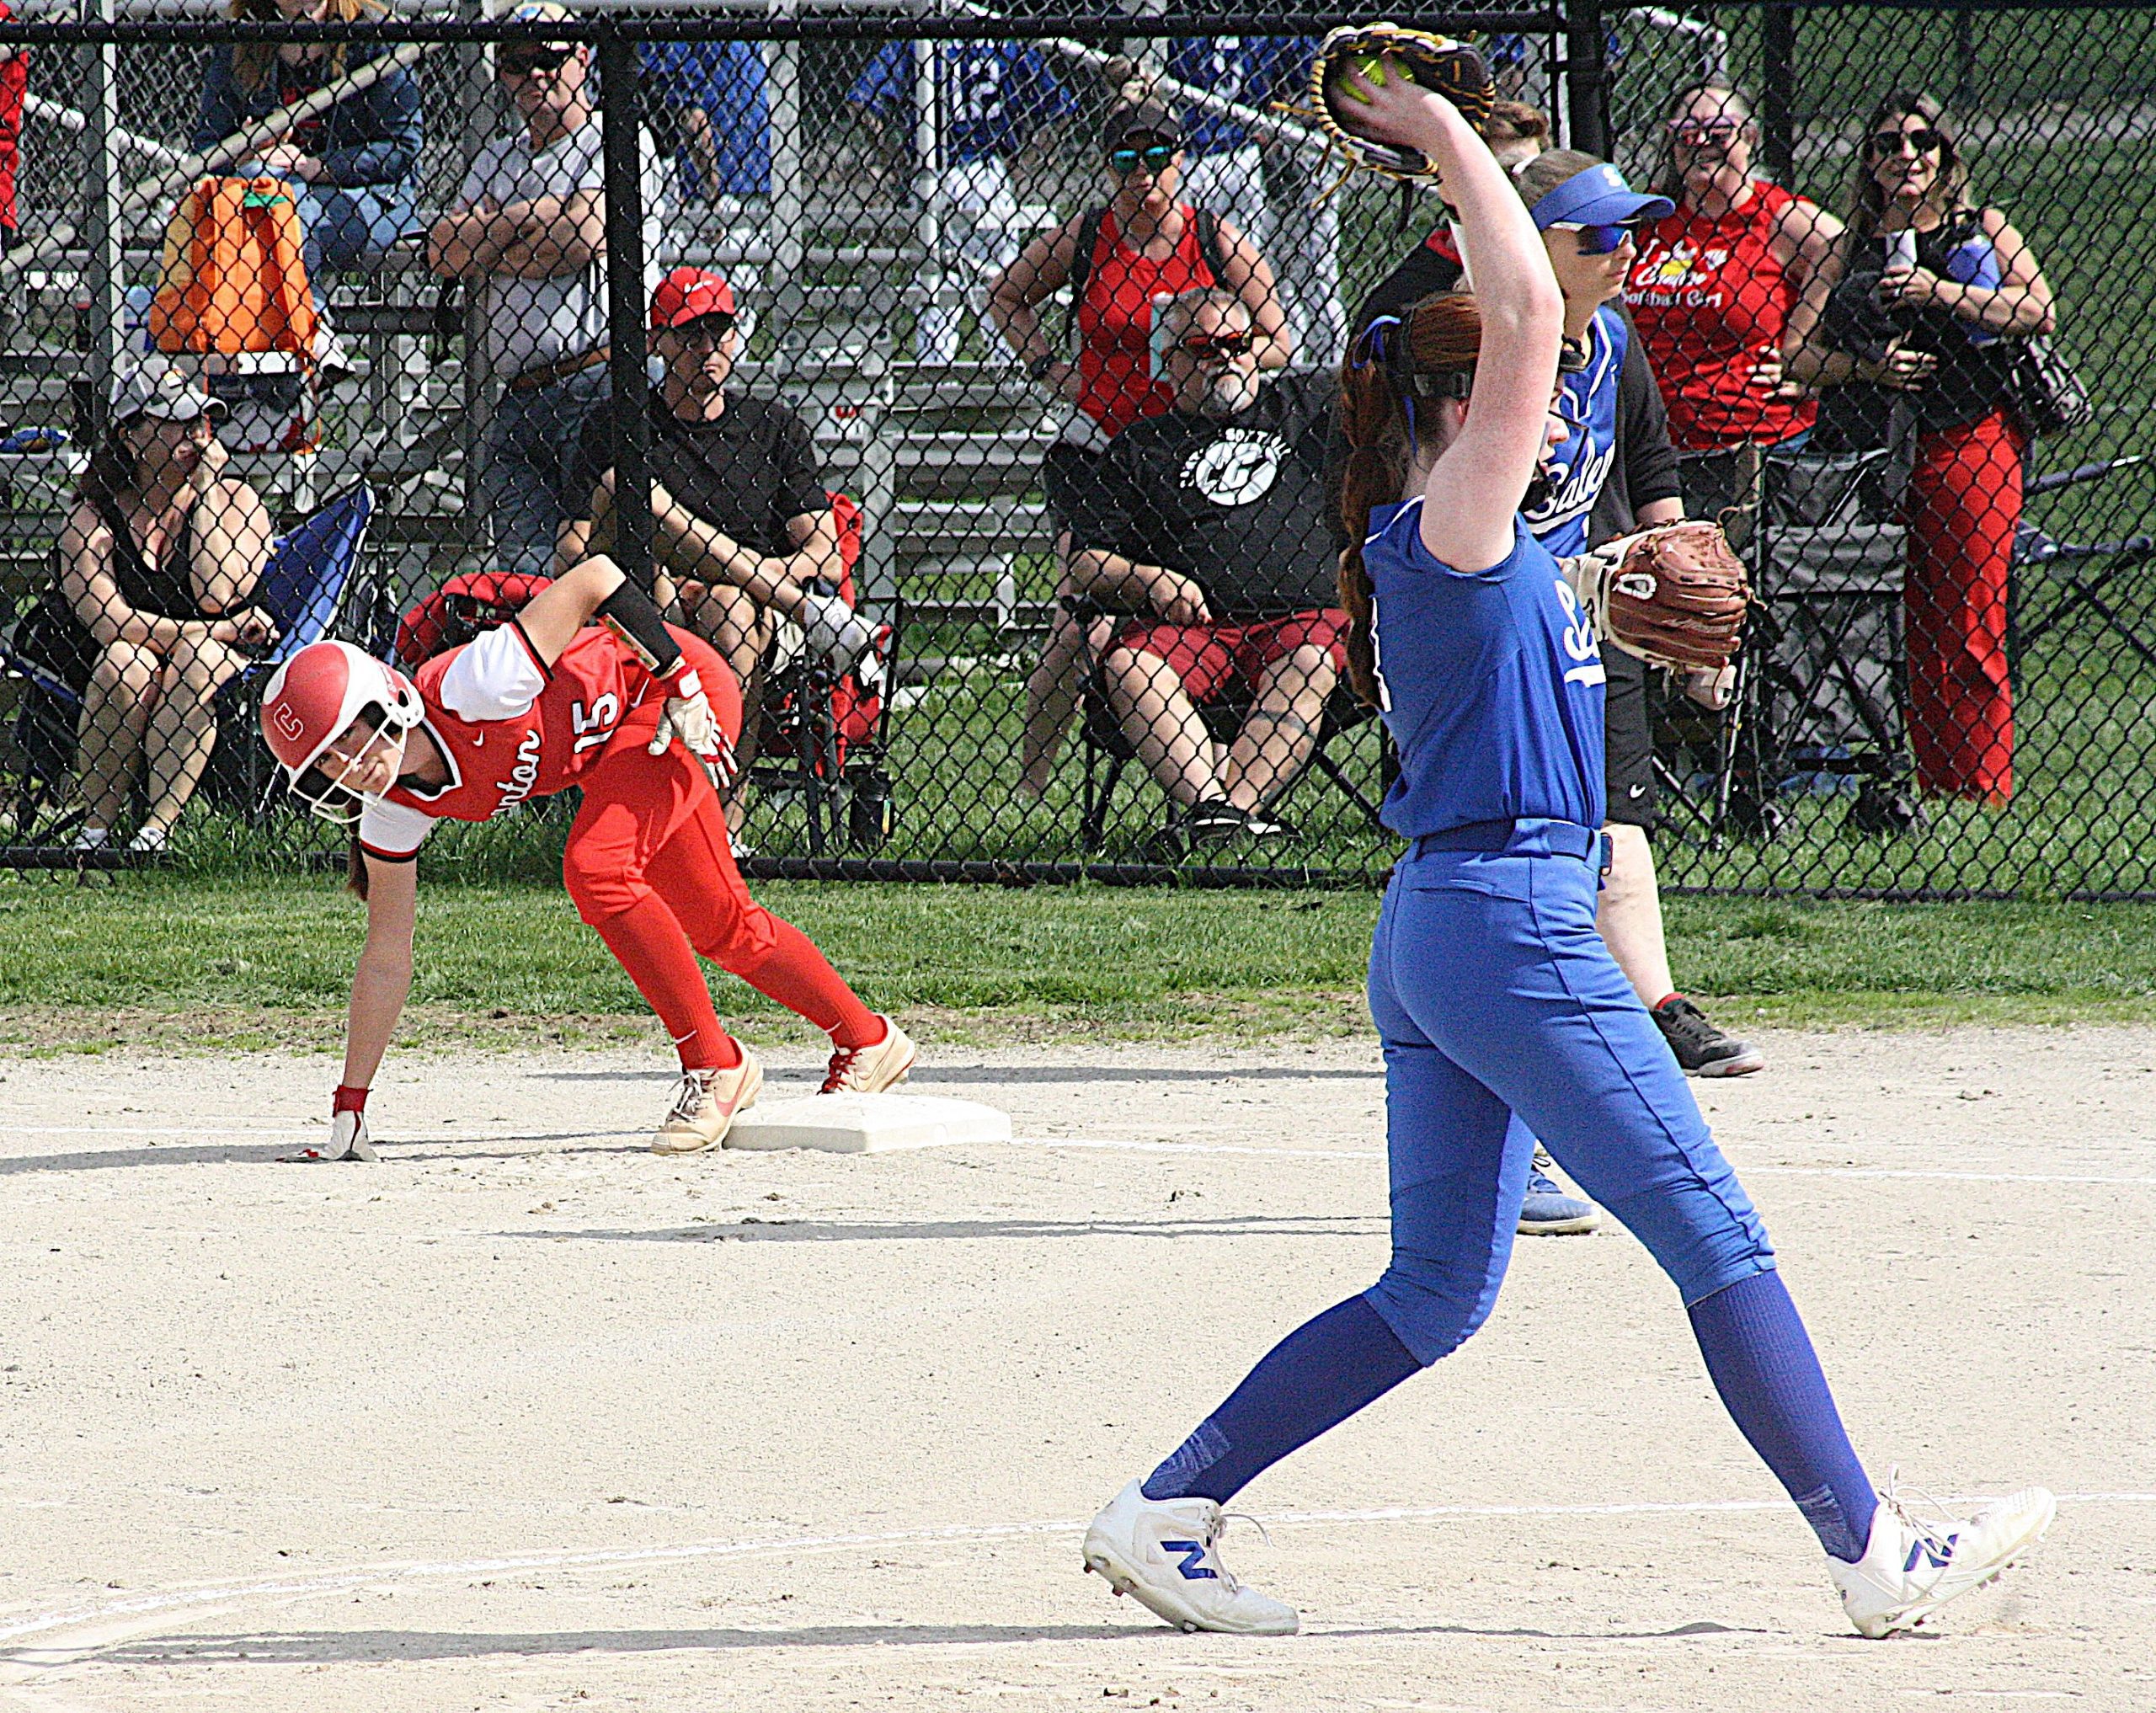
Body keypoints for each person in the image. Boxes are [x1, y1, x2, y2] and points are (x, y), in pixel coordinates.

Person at [1078, 57, 2053, 1642]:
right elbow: (1529, 312)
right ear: (1464, 410)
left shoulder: (1482, 544)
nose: (1564, 374)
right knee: (1718, 1232)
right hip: (1516, 923)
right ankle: (1873, 1550)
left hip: (1444, 926)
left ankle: (1164, 1506)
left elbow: (1539, 443)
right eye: (1529, 379)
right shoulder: (1453, 516)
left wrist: (1611, 593)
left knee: (1436, 1287)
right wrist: (1449, 137)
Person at [257, 555, 916, 1160]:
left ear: (387, 701)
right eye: (325, 765)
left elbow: (596, 577)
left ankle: (714, 1062)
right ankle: (868, 1038)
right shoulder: (394, 807)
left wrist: (681, 683)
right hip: (617, 748)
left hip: (671, 696)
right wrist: (351, 1102)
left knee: (597, 867)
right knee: (720, 921)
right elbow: (385, 952)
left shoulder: (472, 686)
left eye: (349, 737)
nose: (350, 767)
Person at [1359, 140, 1766, 1101]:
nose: (1622, 249)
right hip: (1487, 618)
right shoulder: (1475, 350)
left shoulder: (1614, 344)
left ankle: (1651, 1009)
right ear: (1531, 243)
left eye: (1632, 231)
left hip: (1588, 606)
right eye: (1597, 233)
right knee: (1502, 835)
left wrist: (1684, 580)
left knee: (1612, 822)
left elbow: (1652, 471)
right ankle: (1494, 1020)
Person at [987, 93, 1291, 799]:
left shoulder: (1213, 238)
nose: (1145, 176)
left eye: (1159, 160)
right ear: (1109, 168)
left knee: (1190, 606)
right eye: (1128, 162)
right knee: (1076, 619)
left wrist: (1222, 362)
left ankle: (1216, 771)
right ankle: (1029, 788)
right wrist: (1049, 369)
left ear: (1181, 163)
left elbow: (1277, 339)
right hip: (1101, 445)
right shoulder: (1087, 237)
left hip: (1181, 454)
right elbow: (1006, 297)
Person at [1786, 93, 2054, 805]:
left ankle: (1980, 785)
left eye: (1922, 141)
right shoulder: (1851, 246)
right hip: (1882, 450)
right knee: (1912, 619)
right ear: (1869, 162)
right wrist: (1869, 369)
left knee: (1970, 615)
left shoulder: (1981, 228)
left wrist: (1942, 292)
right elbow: (1798, 356)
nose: (1907, 155)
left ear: (1944, 154)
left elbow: (2038, 309)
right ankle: (1933, 778)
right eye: (1887, 144)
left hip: (1973, 438)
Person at [558, 266, 876, 816]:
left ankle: (717, 816)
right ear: (657, 340)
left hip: (747, 606)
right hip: (646, 592)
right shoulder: (619, 422)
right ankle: (808, 615)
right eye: (690, 333)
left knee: (729, 606)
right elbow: (574, 545)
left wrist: (737, 575)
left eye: (719, 330)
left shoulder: (773, 426)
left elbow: (821, 548)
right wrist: (745, 567)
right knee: (631, 490)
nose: (708, 347)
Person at [1060, 286, 1338, 856]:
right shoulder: (1142, 446)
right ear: (1172, 362)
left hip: (1303, 621)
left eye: (1238, 344)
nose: (1228, 358)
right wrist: (1151, 581)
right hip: (1193, 630)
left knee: (1307, 660)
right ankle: (1219, 814)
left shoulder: (1311, 411)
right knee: (1131, 665)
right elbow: (1087, 563)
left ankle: (1221, 816)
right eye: (1207, 348)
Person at [427, 4, 663, 577]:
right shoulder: (497, 157)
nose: (534, 74)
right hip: (519, 397)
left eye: (550, 59)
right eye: (516, 63)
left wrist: (492, 236)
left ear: (583, 60)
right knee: (526, 580)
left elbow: (584, 236)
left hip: (604, 381)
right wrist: (537, 222)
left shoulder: (617, 136)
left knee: (608, 569)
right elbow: (443, 251)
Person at [13, 361, 275, 853]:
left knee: (196, 660)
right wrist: (220, 630)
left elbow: (215, 594)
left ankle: (156, 830)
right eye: (175, 420)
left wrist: (206, 496)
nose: (195, 433)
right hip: (115, 657)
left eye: (201, 419)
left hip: (213, 662)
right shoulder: (94, 514)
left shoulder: (236, 500)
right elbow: (110, 623)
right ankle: (96, 831)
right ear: (130, 436)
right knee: (125, 662)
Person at [1623, 80, 1842, 520]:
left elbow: (1850, 260)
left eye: (1719, 132)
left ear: (1749, 138)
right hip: (1654, 454)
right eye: (1687, 134)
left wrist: (1806, 357)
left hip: (1753, 449)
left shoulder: (1777, 217)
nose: (1702, 144)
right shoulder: (1650, 219)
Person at [195, 0, 423, 339]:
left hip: (372, 198)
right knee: (271, 195)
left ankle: (300, 332)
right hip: (264, 193)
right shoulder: (242, 38)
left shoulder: (374, 34)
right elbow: (207, 147)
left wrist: (315, 167)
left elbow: (400, 148)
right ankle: (305, 339)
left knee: (283, 208)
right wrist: (245, 154)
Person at [846, 39, 1079, 363]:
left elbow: (861, 102)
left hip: (930, 171)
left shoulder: (920, 36)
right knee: (1001, 280)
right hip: (988, 173)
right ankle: (1006, 367)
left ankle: (933, 369)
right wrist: (1024, 161)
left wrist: (892, 157)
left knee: (935, 281)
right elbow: (1060, 110)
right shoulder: (1001, 35)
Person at [1166, 36, 1345, 366]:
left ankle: (1324, 367)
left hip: (1245, 153)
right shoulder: (1185, 27)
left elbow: (1304, 73)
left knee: (1288, 273)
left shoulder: (1268, 31)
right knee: (1200, 264)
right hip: (1196, 157)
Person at [641, 39, 769, 208]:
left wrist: (713, 197)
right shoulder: (742, 29)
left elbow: (693, 121)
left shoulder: (666, 41)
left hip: (722, 192)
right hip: (767, 180)